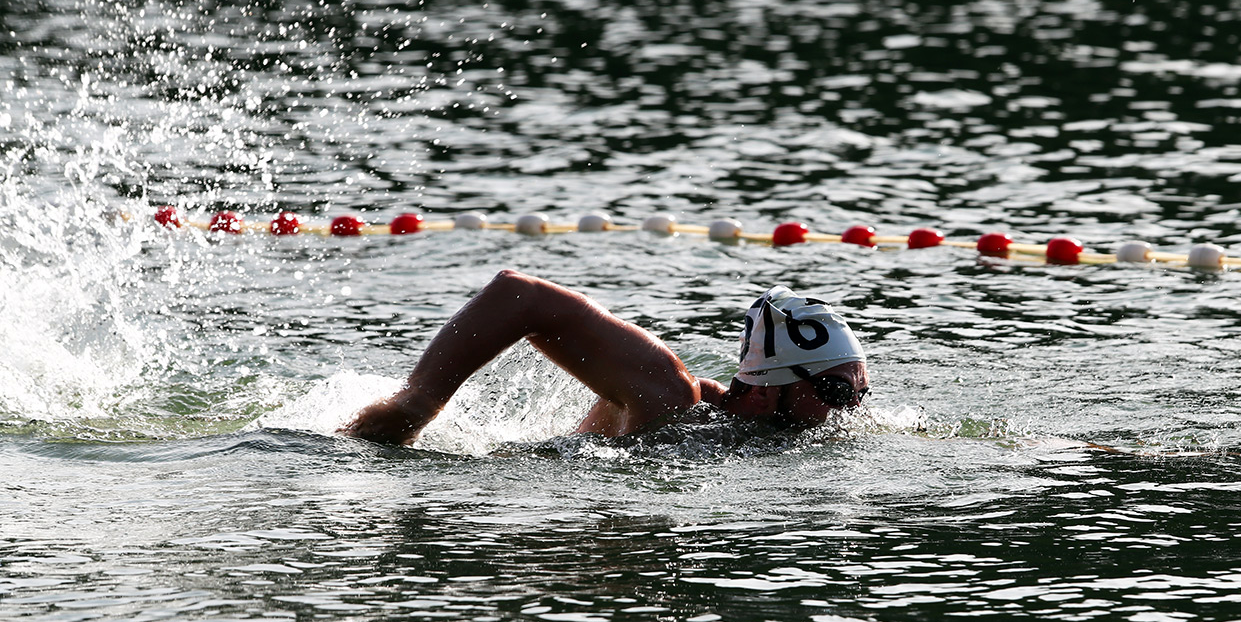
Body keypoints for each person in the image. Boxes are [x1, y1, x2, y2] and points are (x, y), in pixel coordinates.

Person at [339, 269, 870, 445]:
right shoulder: (670, 395)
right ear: (769, 385)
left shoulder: (762, 434)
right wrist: (418, 403)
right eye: (836, 391)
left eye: (859, 393)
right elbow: (520, 294)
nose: (849, 410)